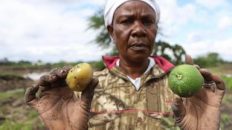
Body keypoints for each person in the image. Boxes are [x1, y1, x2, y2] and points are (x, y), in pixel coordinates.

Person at [25, 0, 225, 130]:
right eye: (127, 21)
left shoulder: (185, 89)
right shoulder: (85, 88)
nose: (139, 30)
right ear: (111, 32)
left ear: (156, 29)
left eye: (147, 21)